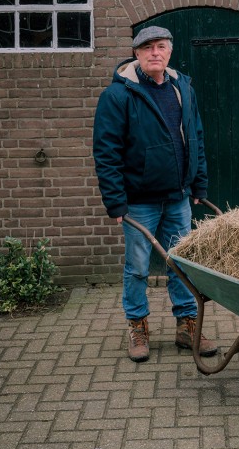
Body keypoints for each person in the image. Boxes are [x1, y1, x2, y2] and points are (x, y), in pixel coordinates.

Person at [93, 25, 217, 363]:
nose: (154, 53)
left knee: (182, 264)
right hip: (138, 202)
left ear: (170, 51)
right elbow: (106, 152)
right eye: (147, 48)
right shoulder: (118, 95)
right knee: (137, 267)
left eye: (160, 46)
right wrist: (115, 200)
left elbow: (195, 137)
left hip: (178, 197)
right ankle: (138, 326)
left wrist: (199, 182)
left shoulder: (182, 88)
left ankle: (187, 325)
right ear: (136, 53)